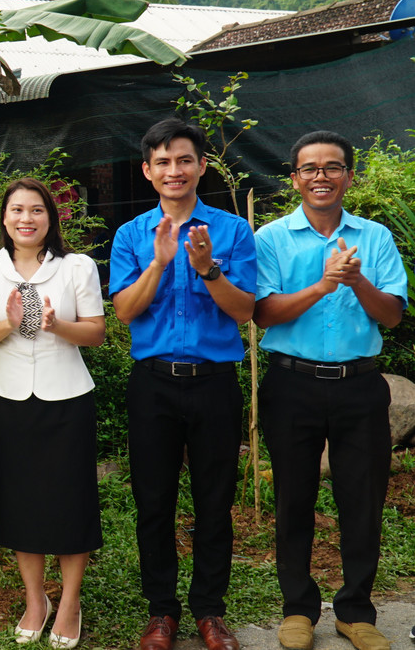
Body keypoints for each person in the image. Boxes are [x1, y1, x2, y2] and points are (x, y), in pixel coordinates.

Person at [253, 132, 405, 650]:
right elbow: (262, 313)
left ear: (349, 176)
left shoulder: (375, 238)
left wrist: (358, 281)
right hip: (290, 384)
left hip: (360, 386)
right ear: (294, 177)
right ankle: (297, 608)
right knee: (292, 498)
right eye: (310, 168)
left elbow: (392, 314)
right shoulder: (270, 238)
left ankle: (356, 611)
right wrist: (323, 283)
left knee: (361, 500)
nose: (321, 175)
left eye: (332, 167)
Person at [109, 118, 256, 650]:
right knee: (154, 501)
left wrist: (207, 268)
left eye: (185, 159)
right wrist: (161, 263)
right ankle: (161, 612)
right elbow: (125, 311)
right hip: (152, 385)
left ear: (200, 166)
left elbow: (244, 312)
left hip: (215, 383)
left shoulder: (233, 231)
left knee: (215, 501)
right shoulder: (130, 235)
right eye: (163, 162)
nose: (175, 170)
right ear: (148, 171)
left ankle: (210, 611)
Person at [0, 178, 105, 650]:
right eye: (17, 210)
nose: (27, 218)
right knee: (20, 501)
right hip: (7, 397)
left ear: (52, 217)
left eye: (37, 210)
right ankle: (34, 600)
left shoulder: (76, 267)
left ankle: (69, 603)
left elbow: (96, 334)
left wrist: (55, 324)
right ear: (4, 218)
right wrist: (8, 323)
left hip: (67, 398)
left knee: (71, 501)